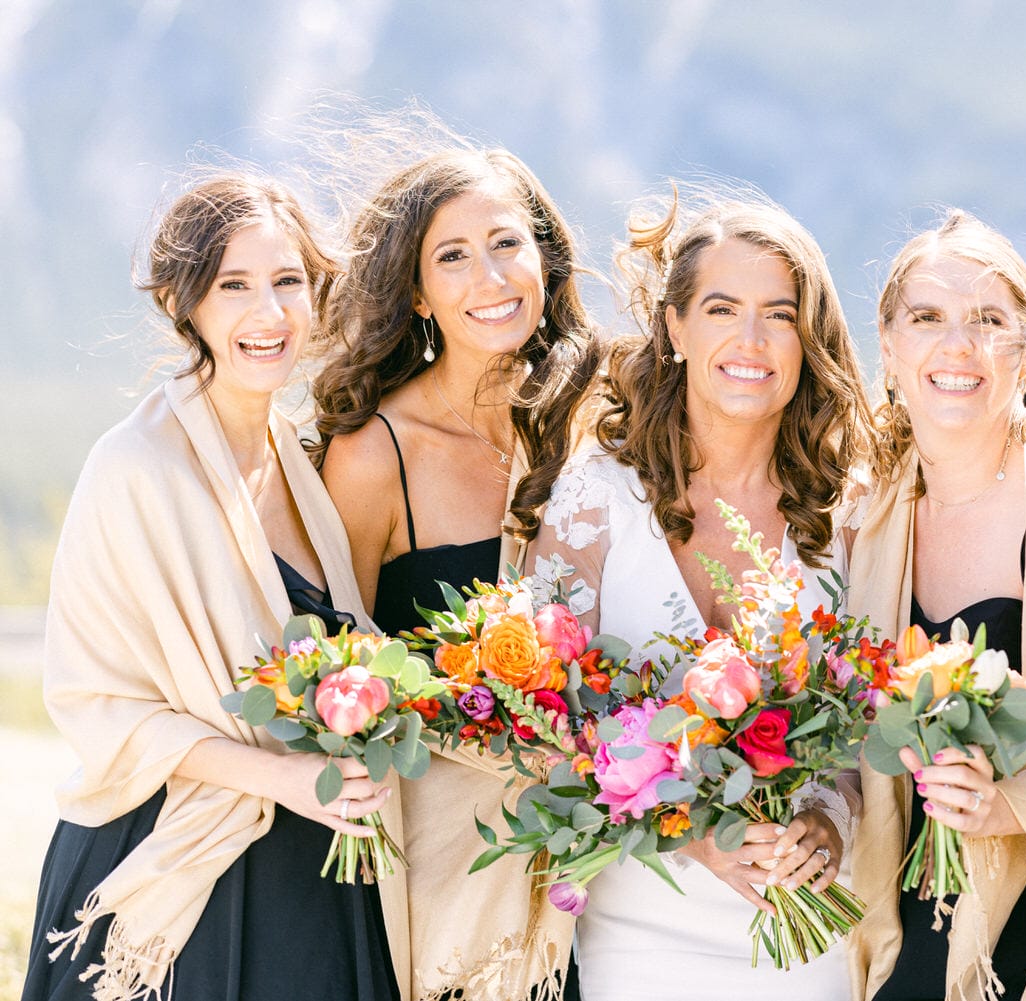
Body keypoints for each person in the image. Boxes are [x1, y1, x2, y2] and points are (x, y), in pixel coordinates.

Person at [23, 175, 402, 1000]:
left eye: (288, 281)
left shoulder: (300, 462)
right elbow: (98, 705)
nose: (268, 313)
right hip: (175, 861)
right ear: (184, 301)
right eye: (234, 285)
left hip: (310, 868)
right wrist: (290, 780)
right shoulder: (133, 468)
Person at [528, 189, 875, 1000]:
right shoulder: (593, 502)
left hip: (806, 923)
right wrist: (690, 838)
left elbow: (865, 729)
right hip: (640, 918)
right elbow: (539, 721)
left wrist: (828, 825)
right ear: (676, 328)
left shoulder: (851, 513)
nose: (751, 340)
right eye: (722, 308)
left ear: (807, 340)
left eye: (779, 314)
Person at [315, 144, 603, 999]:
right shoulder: (374, 454)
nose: (490, 276)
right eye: (452, 256)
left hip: (607, 852)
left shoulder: (595, 422)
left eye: (507, 243)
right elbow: (339, 672)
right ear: (415, 294)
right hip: (444, 868)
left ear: (544, 258)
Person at [843, 211, 1026, 1001]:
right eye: (928, 318)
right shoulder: (864, 522)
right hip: (894, 902)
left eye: (989, 321)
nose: (958, 346)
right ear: (891, 344)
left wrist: (1008, 804)